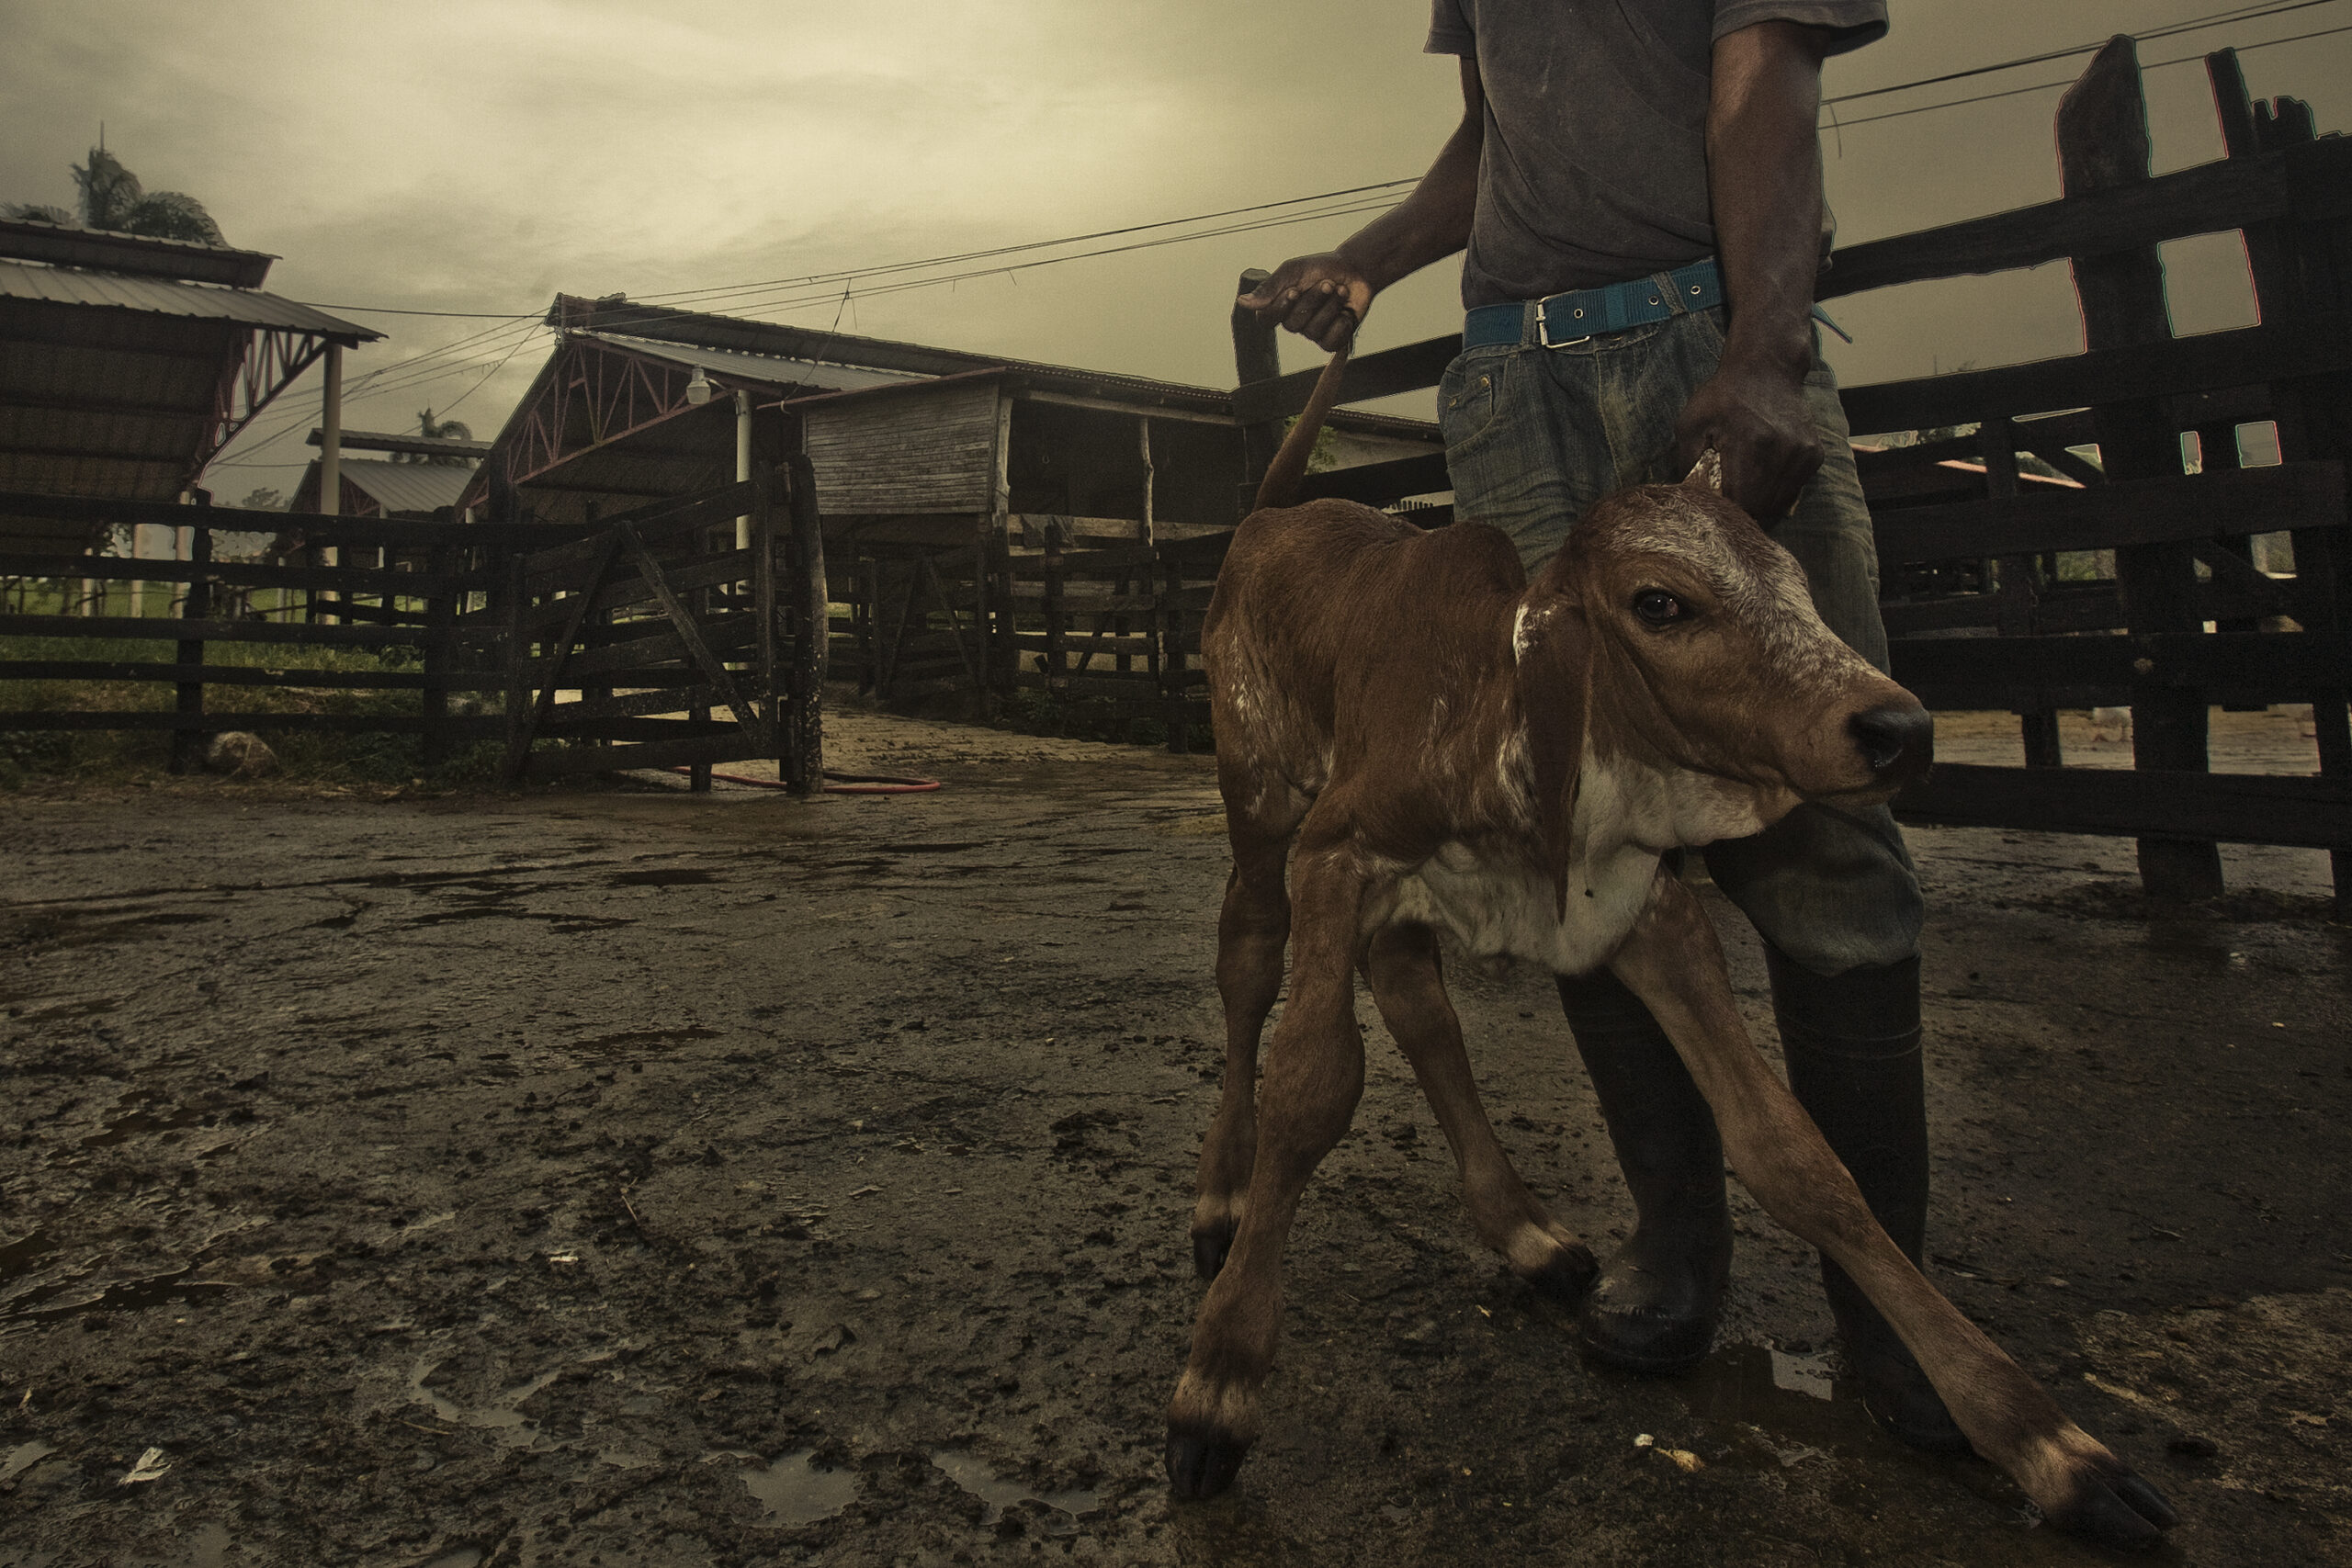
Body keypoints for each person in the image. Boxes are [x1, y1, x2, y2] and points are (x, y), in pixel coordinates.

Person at [1239, 0, 1964, 1453]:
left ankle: (1888, 1318)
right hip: (1514, 379)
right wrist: (1366, 261)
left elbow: (1766, 86)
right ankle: (1677, 1249)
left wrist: (1765, 346)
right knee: (1566, 824)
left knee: (1823, 807)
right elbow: (1492, 134)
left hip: (1696, 329)